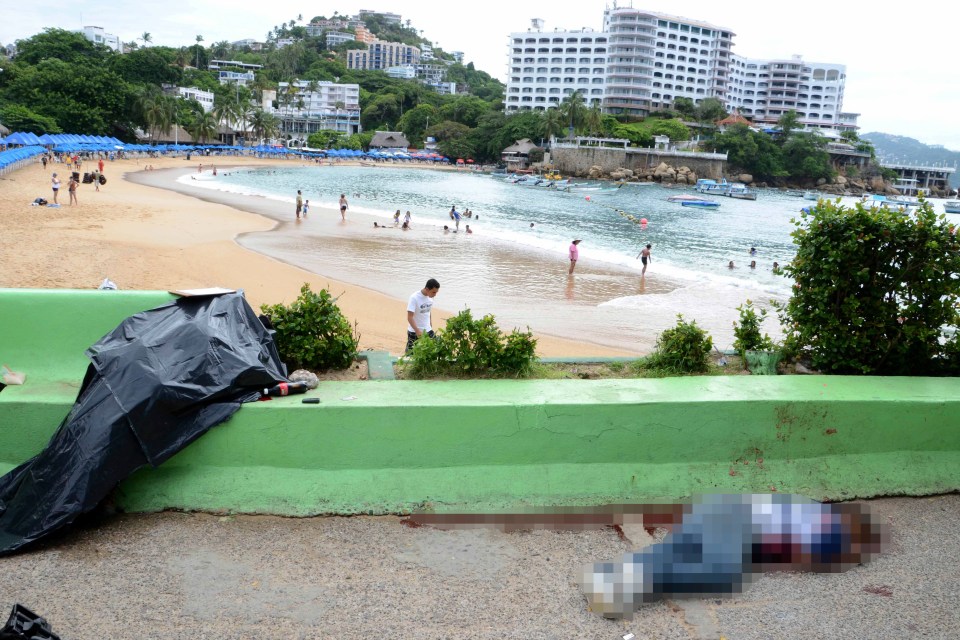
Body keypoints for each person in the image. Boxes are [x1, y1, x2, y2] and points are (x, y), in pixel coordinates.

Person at [406, 279, 440, 353]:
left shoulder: (430, 298)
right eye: (434, 292)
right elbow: (409, 317)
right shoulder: (414, 298)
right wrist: (417, 331)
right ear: (427, 289)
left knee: (437, 347)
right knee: (410, 354)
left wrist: (430, 323)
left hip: (428, 330)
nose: (435, 294)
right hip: (414, 331)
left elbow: (428, 311)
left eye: (436, 292)